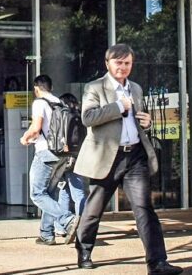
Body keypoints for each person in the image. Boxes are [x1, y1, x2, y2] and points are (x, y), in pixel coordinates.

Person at [73, 44, 182, 274]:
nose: (122, 67)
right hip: (107, 157)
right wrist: (117, 107)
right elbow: (88, 118)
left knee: (144, 208)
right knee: (94, 209)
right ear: (107, 63)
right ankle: (84, 249)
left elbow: (135, 121)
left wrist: (147, 123)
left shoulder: (136, 88)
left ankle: (157, 263)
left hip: (135, 156)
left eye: (127, 63)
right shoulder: (95, 87)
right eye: (118, 62)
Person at [19, 75, 79, 246]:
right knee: (49, 193)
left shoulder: (39, 102)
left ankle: (68, 220)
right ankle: (46, 234)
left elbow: (36, 128)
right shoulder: (60, 103)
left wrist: (25, 138)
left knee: (37, 194)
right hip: (62, 154)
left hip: (45, 153)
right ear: (51, 87)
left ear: (36, 88)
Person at [51, 93, 87, 231]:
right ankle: (77, 225)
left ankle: (64, 226)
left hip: (63, 157)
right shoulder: (78, 116)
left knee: (67, 191)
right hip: (75, 157)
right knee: (73, 191)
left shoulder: (62, 115)